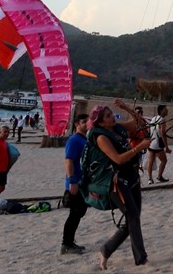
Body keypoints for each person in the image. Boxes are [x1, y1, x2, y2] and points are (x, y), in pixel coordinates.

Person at [90, 101, 151, 269]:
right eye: (108, 116)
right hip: (116, 181)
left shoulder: (116, 128)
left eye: (111, 113)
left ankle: (105, 250)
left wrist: (126, 108)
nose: (112, 117)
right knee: (133, 216)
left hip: (132, 176)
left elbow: (140, 123)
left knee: (134, 218)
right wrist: (139, 147)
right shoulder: (101, 137)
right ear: (101, 122)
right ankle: (141, 258)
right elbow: (117, 159)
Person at [61, 113, 90, 255]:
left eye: (88, 121)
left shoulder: (85, 139)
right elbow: (68, 161)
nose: (87, 124)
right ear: (77, 124)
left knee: (79, 213)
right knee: (74, 214)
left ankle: (70, 242)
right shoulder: (74, 140)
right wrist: (72, 180)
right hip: (75, 183)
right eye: (84, 122)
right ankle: (66, 244)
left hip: (82, 183)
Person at [145, 105, 172, 184]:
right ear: (161, 110)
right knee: (164, 160)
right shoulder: (162, 120)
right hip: (157, 144)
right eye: (165, 109)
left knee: (150, 161)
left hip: (151, 143)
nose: (167, 111)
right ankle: (159, 176)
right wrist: (166, 147)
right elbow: (163, 134)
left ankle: (150, 179)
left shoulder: (154, 118)